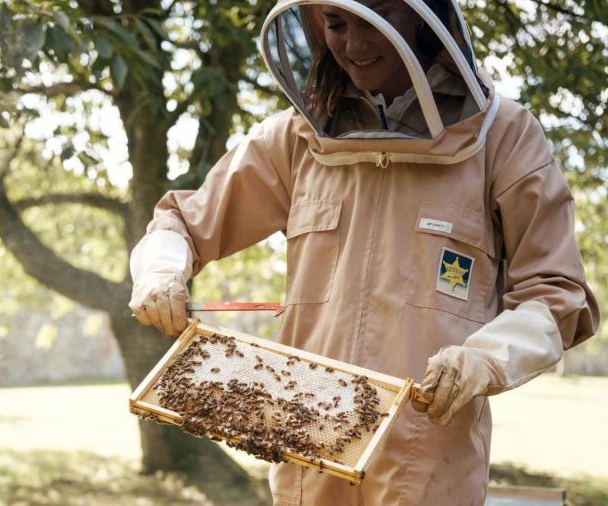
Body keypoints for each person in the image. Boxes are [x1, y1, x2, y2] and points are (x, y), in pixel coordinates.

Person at [128, 0, 600, 504]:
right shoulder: (296, 137)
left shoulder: (504, 137)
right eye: (336, 24)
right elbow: (181, 220)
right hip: (307, 455)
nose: (354, 44)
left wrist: (487, 359)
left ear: (423, 18)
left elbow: (557, 295)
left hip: (428, 463)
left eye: (377, 20)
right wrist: (161, 271)